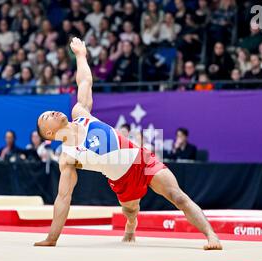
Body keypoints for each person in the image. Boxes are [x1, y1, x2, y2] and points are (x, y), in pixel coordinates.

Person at [35, 37, 222, 250]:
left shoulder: (80, 113)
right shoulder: (68, 157)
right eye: (46, 116)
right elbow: (63, 198)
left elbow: (85, 82)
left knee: (177, 196)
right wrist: (52, 237)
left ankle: (211, 236)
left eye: (50, 111)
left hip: (142, 159)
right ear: (49, 132)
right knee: (130, 211)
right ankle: (131, 223)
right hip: (122, 180)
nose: (52, 111)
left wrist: (80, 55)